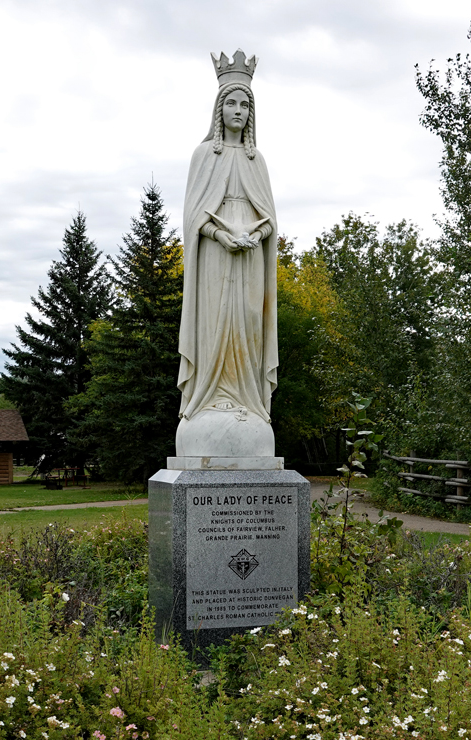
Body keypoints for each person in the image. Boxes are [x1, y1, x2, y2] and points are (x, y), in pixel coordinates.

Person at [177, 50, 278, 454]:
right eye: (231, 103)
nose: (238, 110)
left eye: (245, 104)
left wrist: (257, 233)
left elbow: (271, 218)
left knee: (249, 325)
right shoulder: (204, 156)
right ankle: (211, 396)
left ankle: (245, 399)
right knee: (215, 325)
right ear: (218, 110)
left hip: (250, 257)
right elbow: (191, 218)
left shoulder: (257, 161)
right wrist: (220, 236)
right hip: (216, 258)